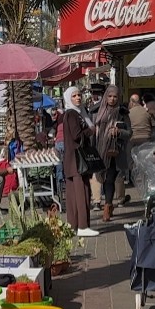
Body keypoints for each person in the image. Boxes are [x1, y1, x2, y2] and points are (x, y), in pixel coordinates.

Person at [90, 85, 132, 222]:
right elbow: (91, 131)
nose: (112, 99)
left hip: (114, 152)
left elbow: (129, 133)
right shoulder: (96, 111)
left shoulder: (122, 113)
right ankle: (107, 204)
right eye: (110, 96)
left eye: (115, 96)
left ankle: (107, 206)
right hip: (99, 150)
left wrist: (119, 132)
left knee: (109, 178)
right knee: (101, 177)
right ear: (105, 97)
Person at [60, 87, 97, 238]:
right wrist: (91, 130)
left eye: (79, 95)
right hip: (77, 160)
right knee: (81, 192)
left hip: (73, 160)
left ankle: (74, 225)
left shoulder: (76, 113)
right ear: (69, 98)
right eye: (74, 96)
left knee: (74, 194)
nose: (77, 98)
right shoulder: (72, 114)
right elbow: (76, 135)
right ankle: (82, 225)